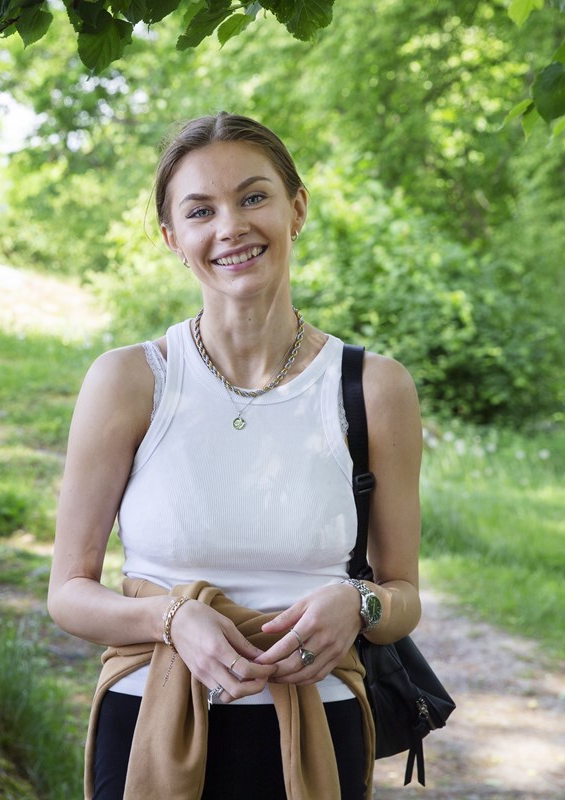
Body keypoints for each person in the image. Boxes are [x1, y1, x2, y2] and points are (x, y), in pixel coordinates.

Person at [47, 112, 424, 800]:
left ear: (296, 209)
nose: (231, 227)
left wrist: (358, 604)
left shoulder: (375, 388)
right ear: (172, 238)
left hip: (318, 729)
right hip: (147, 723)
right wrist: (169, 618)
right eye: (200, 211)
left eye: (253, 197)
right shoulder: (130, 380)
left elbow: (403, 595)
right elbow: (68, 593)